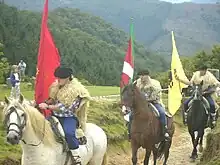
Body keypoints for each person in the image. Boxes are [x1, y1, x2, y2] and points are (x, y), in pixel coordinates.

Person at [39, 66, 91, 164]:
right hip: (54, 115)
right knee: (41, 128)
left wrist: (47, 107)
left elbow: (65, 107)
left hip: (68, 117)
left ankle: (76, 156)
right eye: (57, 77)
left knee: (69, 133)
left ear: (68, 78)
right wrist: (45, 102)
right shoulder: (56, 86)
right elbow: (52, 99)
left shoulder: (76, 90)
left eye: (60, 78)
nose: (58, 79)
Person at [132, 69, 170, 140]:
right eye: (140, 75)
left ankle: (164, 130)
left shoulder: (155, 83)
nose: (141, 77)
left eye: (143, 75)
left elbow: (156, 95)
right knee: (131, 114)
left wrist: (147, 100)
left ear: (147, 76)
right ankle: (130, 132)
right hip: (141, 104)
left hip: (154, 102)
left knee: (161, 113)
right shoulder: (136, 83)